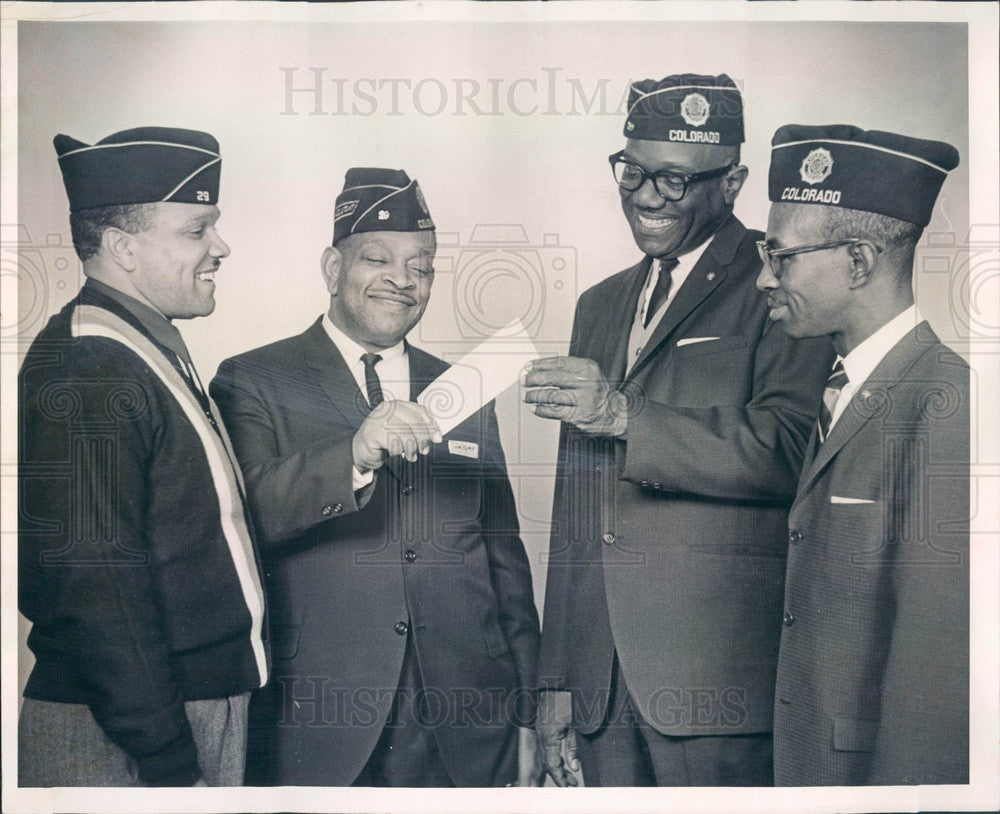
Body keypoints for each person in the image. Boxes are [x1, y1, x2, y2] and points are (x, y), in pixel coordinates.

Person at [523, 74, 834, 787]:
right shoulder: (599, 304)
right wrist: (557, 678)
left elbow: (789, 452)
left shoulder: (780, 278)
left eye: (673, 178)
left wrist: (627, 416)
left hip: (716, 684)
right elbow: (578, 505)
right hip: (600, 687)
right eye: (631, 170)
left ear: (733, 182)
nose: (644, 195)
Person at [210, 167, 540, 787]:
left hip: (467, 725)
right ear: (334, 269)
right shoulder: (251, 379)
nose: (402, 280)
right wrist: (352, 456)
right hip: (318, 720)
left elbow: (503, 559)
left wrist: (529, 712)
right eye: (377, 259)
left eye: (422, 266)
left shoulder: (466, 389)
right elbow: (239, 522)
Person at [18, 127, 268, 787]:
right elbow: (94, 589)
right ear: (123, 248)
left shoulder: (138, 344)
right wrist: (168, 761)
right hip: (138, 729)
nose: (221, 247)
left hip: (173, 712)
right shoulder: (92, 364)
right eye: (196, 231)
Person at [757, 124, 968, 785]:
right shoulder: (839, 385)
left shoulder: (946, 401)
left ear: (857, 262)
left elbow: (934, 668)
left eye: (780, 257)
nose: (763, 280)